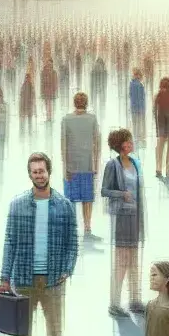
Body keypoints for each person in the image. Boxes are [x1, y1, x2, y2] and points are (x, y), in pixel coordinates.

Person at [0, 152, 78, 336]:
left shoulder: (64, 206)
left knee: (55, 330)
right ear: (30, 174)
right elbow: (9, 241)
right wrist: (4, 277)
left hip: (53, 279)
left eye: (42, 171)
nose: (39, 175)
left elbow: (72, 242)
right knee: (23, 332)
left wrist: (67, 269)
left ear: (49, 171)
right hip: (23, 279)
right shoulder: (17, 204)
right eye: (34, 172)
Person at [99, 128, 146, 315]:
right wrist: (122, 194)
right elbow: (104, 190)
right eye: (128, 140)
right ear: (120, 145)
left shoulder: (135, 163)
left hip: (135, 217)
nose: (131, 143)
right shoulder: (112, 165)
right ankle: (115, 303)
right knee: (121, 260)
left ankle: (135, 299)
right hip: (122, 216)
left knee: (134, 260)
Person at [60, 92, 102, 237]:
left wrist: (64, 166)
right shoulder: (92, 119)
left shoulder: (66, 119)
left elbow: (63, 144)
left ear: (74, 103)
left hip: (71, 164)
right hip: (87, 163)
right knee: (87, 198)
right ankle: (87, 226)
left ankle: (71, 227)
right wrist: (96, 163)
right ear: (86, 103)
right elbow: (97, 143)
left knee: (70, 198)